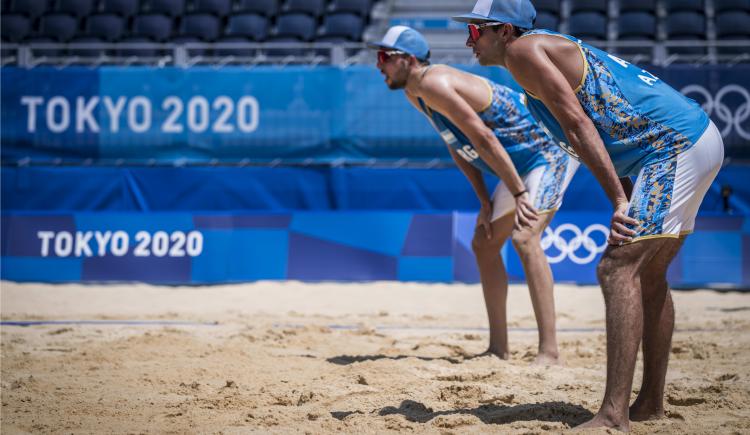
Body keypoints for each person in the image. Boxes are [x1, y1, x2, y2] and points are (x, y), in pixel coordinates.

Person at [453, 0, 724, 430]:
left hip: (673, 148)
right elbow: (607, 130)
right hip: (687, 141)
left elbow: (581, 126)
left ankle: (614, 415)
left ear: (504, 31)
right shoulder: (538, 58)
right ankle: (649, 404)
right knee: (648, 274)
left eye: (474, 31)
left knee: (617, 268)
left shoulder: (524, 52)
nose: (468, 41)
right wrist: (626, 195)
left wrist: (618, 201)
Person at [369, 25, 579, 364]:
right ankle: (499, 349)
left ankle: (549, 352)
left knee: (525, 238)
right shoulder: (415, 91)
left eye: (384, 57)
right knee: (484, 242)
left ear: (407, 60)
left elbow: (484, 139)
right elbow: (457, 145)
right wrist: (484, 200)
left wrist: (519, 192)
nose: (378, 65)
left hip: (548, 152)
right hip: (520, 166)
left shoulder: (433, 83)